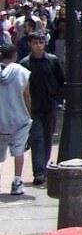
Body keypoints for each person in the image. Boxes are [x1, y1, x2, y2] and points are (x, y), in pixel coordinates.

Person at [20, 32, 64, 185]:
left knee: (47, 138)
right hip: (33, 108)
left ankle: (44, 168)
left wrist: (58, 98)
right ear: (30, 45)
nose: (38, 46)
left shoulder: (52, 61)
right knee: (37, 139)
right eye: (35, 43)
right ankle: (38, 172)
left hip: (50, 106)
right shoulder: (25, 64)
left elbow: (60, 81)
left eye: (41, 42)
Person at [0, 44, 33, 195]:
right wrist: (29, 113)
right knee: (18, 150)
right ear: (15, 55)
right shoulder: (21, 72)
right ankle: (17, 182)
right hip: (19, 118)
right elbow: (26, 95)